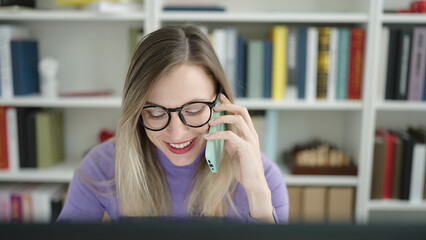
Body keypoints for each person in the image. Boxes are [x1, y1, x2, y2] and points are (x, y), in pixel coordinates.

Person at [57, 24, 289, 224]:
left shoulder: (264, 177)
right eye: (156, 113)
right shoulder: (101, 166)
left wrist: (257, 190)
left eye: (194, 110)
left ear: (221, 102)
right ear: (136, 112)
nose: (177, 133)